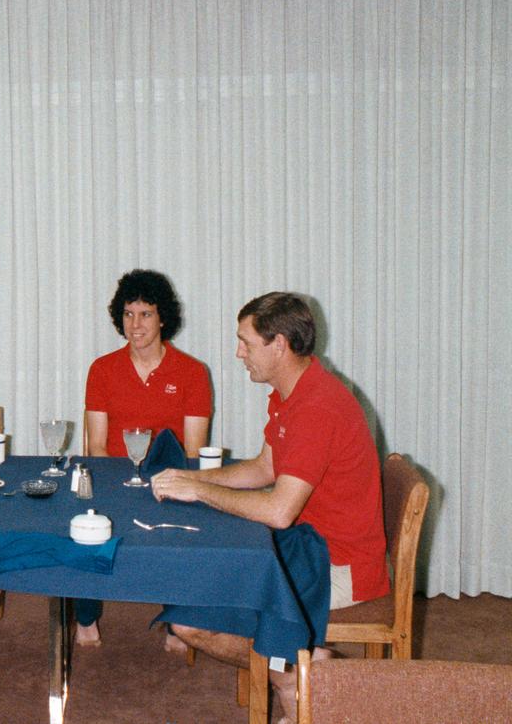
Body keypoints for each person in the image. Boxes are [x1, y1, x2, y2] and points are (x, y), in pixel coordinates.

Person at [150, 292, 388, 720]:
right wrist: (191, 478)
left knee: (190, 622)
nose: (239, 352)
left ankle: (299, 676)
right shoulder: (291, 391)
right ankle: (303, 668)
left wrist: (201, 492)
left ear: (279, 344)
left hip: (338, 563)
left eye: (246, 341)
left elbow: (279, 510)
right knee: (194, 597)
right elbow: (264, 467)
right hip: (304, 543)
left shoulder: (317, 406)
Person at [78, 270, 213, 646]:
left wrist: (167, 485)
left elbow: (192, 450)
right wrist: (121, 484)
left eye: (145, 314)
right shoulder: (102, 369)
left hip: (168, 480)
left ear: (163, 317)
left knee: (182, 524)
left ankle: (178, 619)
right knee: (81, 523)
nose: (135, 325)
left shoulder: (192, 372)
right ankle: (85, 615)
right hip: (115, 476)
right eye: (128, 314)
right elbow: (97, 445)